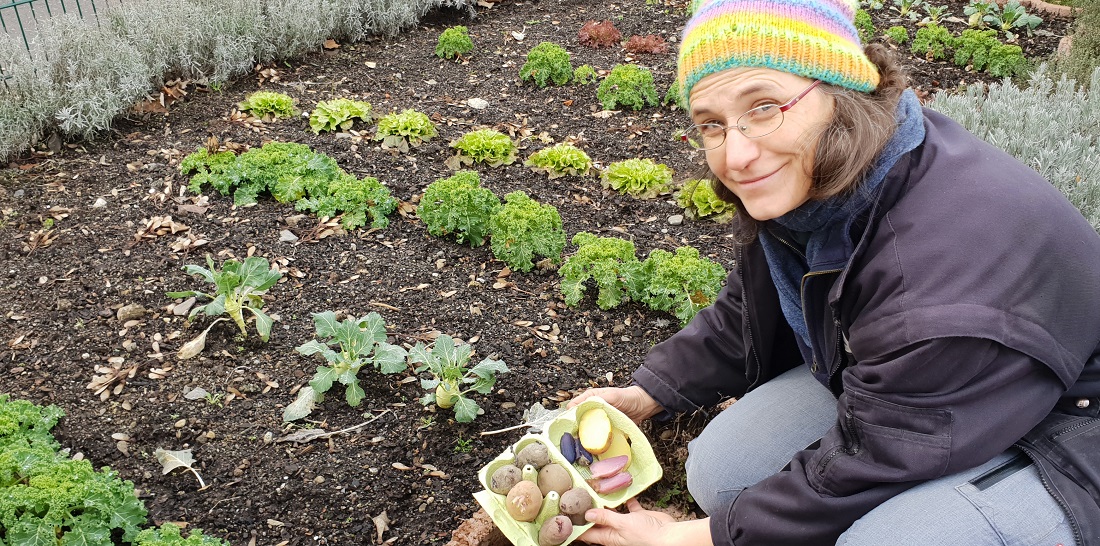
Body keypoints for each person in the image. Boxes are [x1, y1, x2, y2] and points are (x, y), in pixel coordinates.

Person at [567, 0, 1100, 543]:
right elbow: (751, 311)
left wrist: (694, 538)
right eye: (713, 124)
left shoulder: (932, 276)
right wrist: (649, 393)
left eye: (764, 106)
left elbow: (877, 455)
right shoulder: (830, 183)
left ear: (840, 95)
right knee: (721, 472)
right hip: (933, 391)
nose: (736, 154)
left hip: (1073, 425)